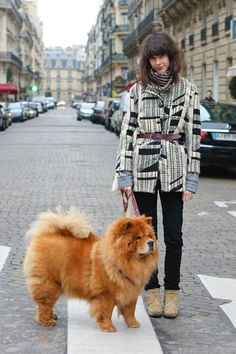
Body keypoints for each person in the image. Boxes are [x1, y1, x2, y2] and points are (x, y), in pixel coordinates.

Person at [115, 31, 201, 319]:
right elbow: (127, 133)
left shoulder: (188, 90)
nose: (158, 63)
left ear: (171, 56)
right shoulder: (137, 90)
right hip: (142, 170)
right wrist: (124, 175)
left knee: (174, 237)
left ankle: (172, 294)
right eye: (152, 58)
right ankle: (151, 293)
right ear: (147, 61)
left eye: (162, 56)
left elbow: (193, 137)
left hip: (175, 168)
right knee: (145, 238)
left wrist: (192, 177)